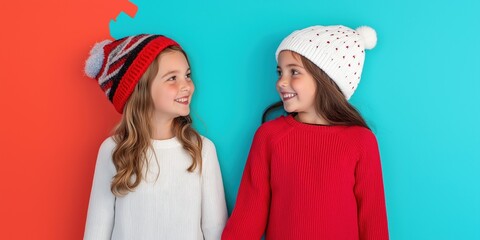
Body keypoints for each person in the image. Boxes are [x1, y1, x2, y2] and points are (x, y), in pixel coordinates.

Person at [222, 25, 389, 239]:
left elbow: (373, 223)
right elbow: (248, 218)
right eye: (280, 72)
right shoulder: (269, 136)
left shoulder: (361, 141)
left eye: (294, 72)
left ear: (325, 77)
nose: (281, 82)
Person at [83, 34, 227, 240]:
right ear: (140, 90)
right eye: (172, 78)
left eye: (187, 75)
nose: (186, 85)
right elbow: (96, 231)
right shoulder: (113, 150)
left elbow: (215, 228)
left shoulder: (202, 149)